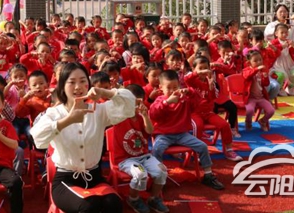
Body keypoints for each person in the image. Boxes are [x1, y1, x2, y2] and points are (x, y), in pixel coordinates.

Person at [31, 62, 136, 213]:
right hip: (66, 180)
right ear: (62, 86)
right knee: (88, 206)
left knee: (114, 204)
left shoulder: (99, 110)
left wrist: (104, 92)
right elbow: (38, 139)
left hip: (94, 177)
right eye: (72, 82)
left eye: (82, 81)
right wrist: (68, 120)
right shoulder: (54, 113)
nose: (78, 87)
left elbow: (130, 106)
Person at [149, 70, 225, 190]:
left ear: (179, 86)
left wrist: (190, 92)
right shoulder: (159, 100)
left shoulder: (184, 99)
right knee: (157, 149)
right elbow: (153, 114)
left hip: (182, 134)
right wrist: (167, 102)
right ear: (161, 88)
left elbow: (198, 103)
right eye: (168, 88)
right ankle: (157, 177)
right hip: (164, 135)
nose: (172, 90)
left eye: (175, 87)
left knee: (202, 146)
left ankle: (208, 175)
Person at [110, 84, 169, 213]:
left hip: (144, 156)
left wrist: (145, 116)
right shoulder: (118, 116)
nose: (136, 106)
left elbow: (150, 131)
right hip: (125, 159)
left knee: (162, 171)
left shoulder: (142, 116)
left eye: (139, 103)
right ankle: (133, 199)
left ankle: (154, 198)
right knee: (140, 174)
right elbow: (112, 102)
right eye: (133, 102)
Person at [264, 4, 294, 86]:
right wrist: (282, 27)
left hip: (292, 51)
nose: (283, 14)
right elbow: (267, 34)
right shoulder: (272, 25)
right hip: (278, 54)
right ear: (276, 14)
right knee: (281, 73)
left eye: (285, 11)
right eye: (280, 12)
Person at [242, 51, 275, 131]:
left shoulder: (262, 71)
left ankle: (262, 121)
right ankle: (248, 122)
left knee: (271, 111)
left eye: (260, 60)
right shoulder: (246, 70)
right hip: (250, 98)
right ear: (249, 63)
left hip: (260, 97)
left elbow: (266, 84)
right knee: (250, 110)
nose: (259, 62)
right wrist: (256, 69)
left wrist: (265, 77)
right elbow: (247, 76)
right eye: (255, 61)